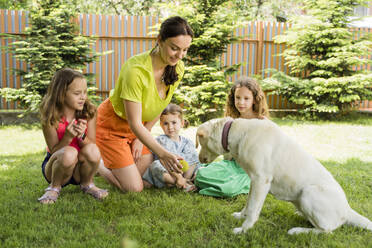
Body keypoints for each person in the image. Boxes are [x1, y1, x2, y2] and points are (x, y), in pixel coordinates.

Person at [96, 16, 193, 192]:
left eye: (185, 50)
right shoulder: (135, 71)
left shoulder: (178, 68)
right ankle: (98, 164)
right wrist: (162, 154)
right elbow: (134, 122)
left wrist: (142, 139)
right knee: (135, 188)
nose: (180, 56)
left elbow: (159, 104)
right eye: (174, 48)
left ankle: (117, 164)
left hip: (138, 129)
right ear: (160, 41)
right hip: (113, 126)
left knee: (143, 176)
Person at [38, 68, 108, 204]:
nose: (83, 97)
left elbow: (91, 144)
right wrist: (68, 137)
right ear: (61, 94)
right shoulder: (50, 116)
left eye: (85, 92)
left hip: (79, 169)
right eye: (77, 93)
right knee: (69, 152)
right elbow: (53, 151)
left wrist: (81, 135)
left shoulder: (89, 112)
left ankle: (88, 184)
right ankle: (54, 187)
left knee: (93, 150)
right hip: (56, 167)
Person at [195, 76, 269, 198]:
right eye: (238, 98)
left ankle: (209, 188)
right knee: (201, 174)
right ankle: (208, 182)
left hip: (248, 171)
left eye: (246, 98)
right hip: (230, 165)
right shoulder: (232, 122)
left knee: (228, 189)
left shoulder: (260, 122)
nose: (241, 102)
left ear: (254, 100)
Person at [142, 104, 201, 191]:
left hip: (184, 172)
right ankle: (179, 182)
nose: (170, 127)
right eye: (166, 123)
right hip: (168, 173)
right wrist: (178, 177)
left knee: (197, 161)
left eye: (174, 123)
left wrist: (194, 169)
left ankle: (187, 180)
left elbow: (193, 159)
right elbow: (168, 161)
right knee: (155, 165)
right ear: (161, 125)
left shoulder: (187, 142)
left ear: (182, 123)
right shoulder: (161, 140)